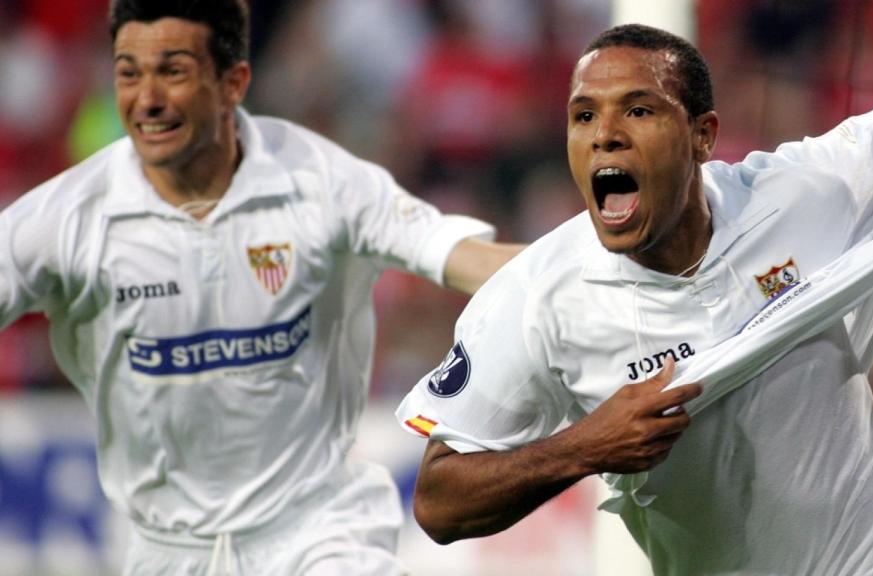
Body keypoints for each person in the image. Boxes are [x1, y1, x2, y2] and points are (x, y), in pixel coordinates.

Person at [396, 23, 873, 575]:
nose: (605, 135)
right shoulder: (535, 298)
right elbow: (439, 502)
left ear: (703, 136)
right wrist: (586, 447)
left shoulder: (792, 194)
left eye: (638, 109)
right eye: (584, 116)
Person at [0, 1, 521, 574]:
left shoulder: (318, 179)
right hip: (166, 551)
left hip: (320, 535)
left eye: (172, 72)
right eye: (128, 72)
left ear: (232, 83)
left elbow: (462, 257)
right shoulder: (68, 216)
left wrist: (604, 265)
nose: (146, 99)